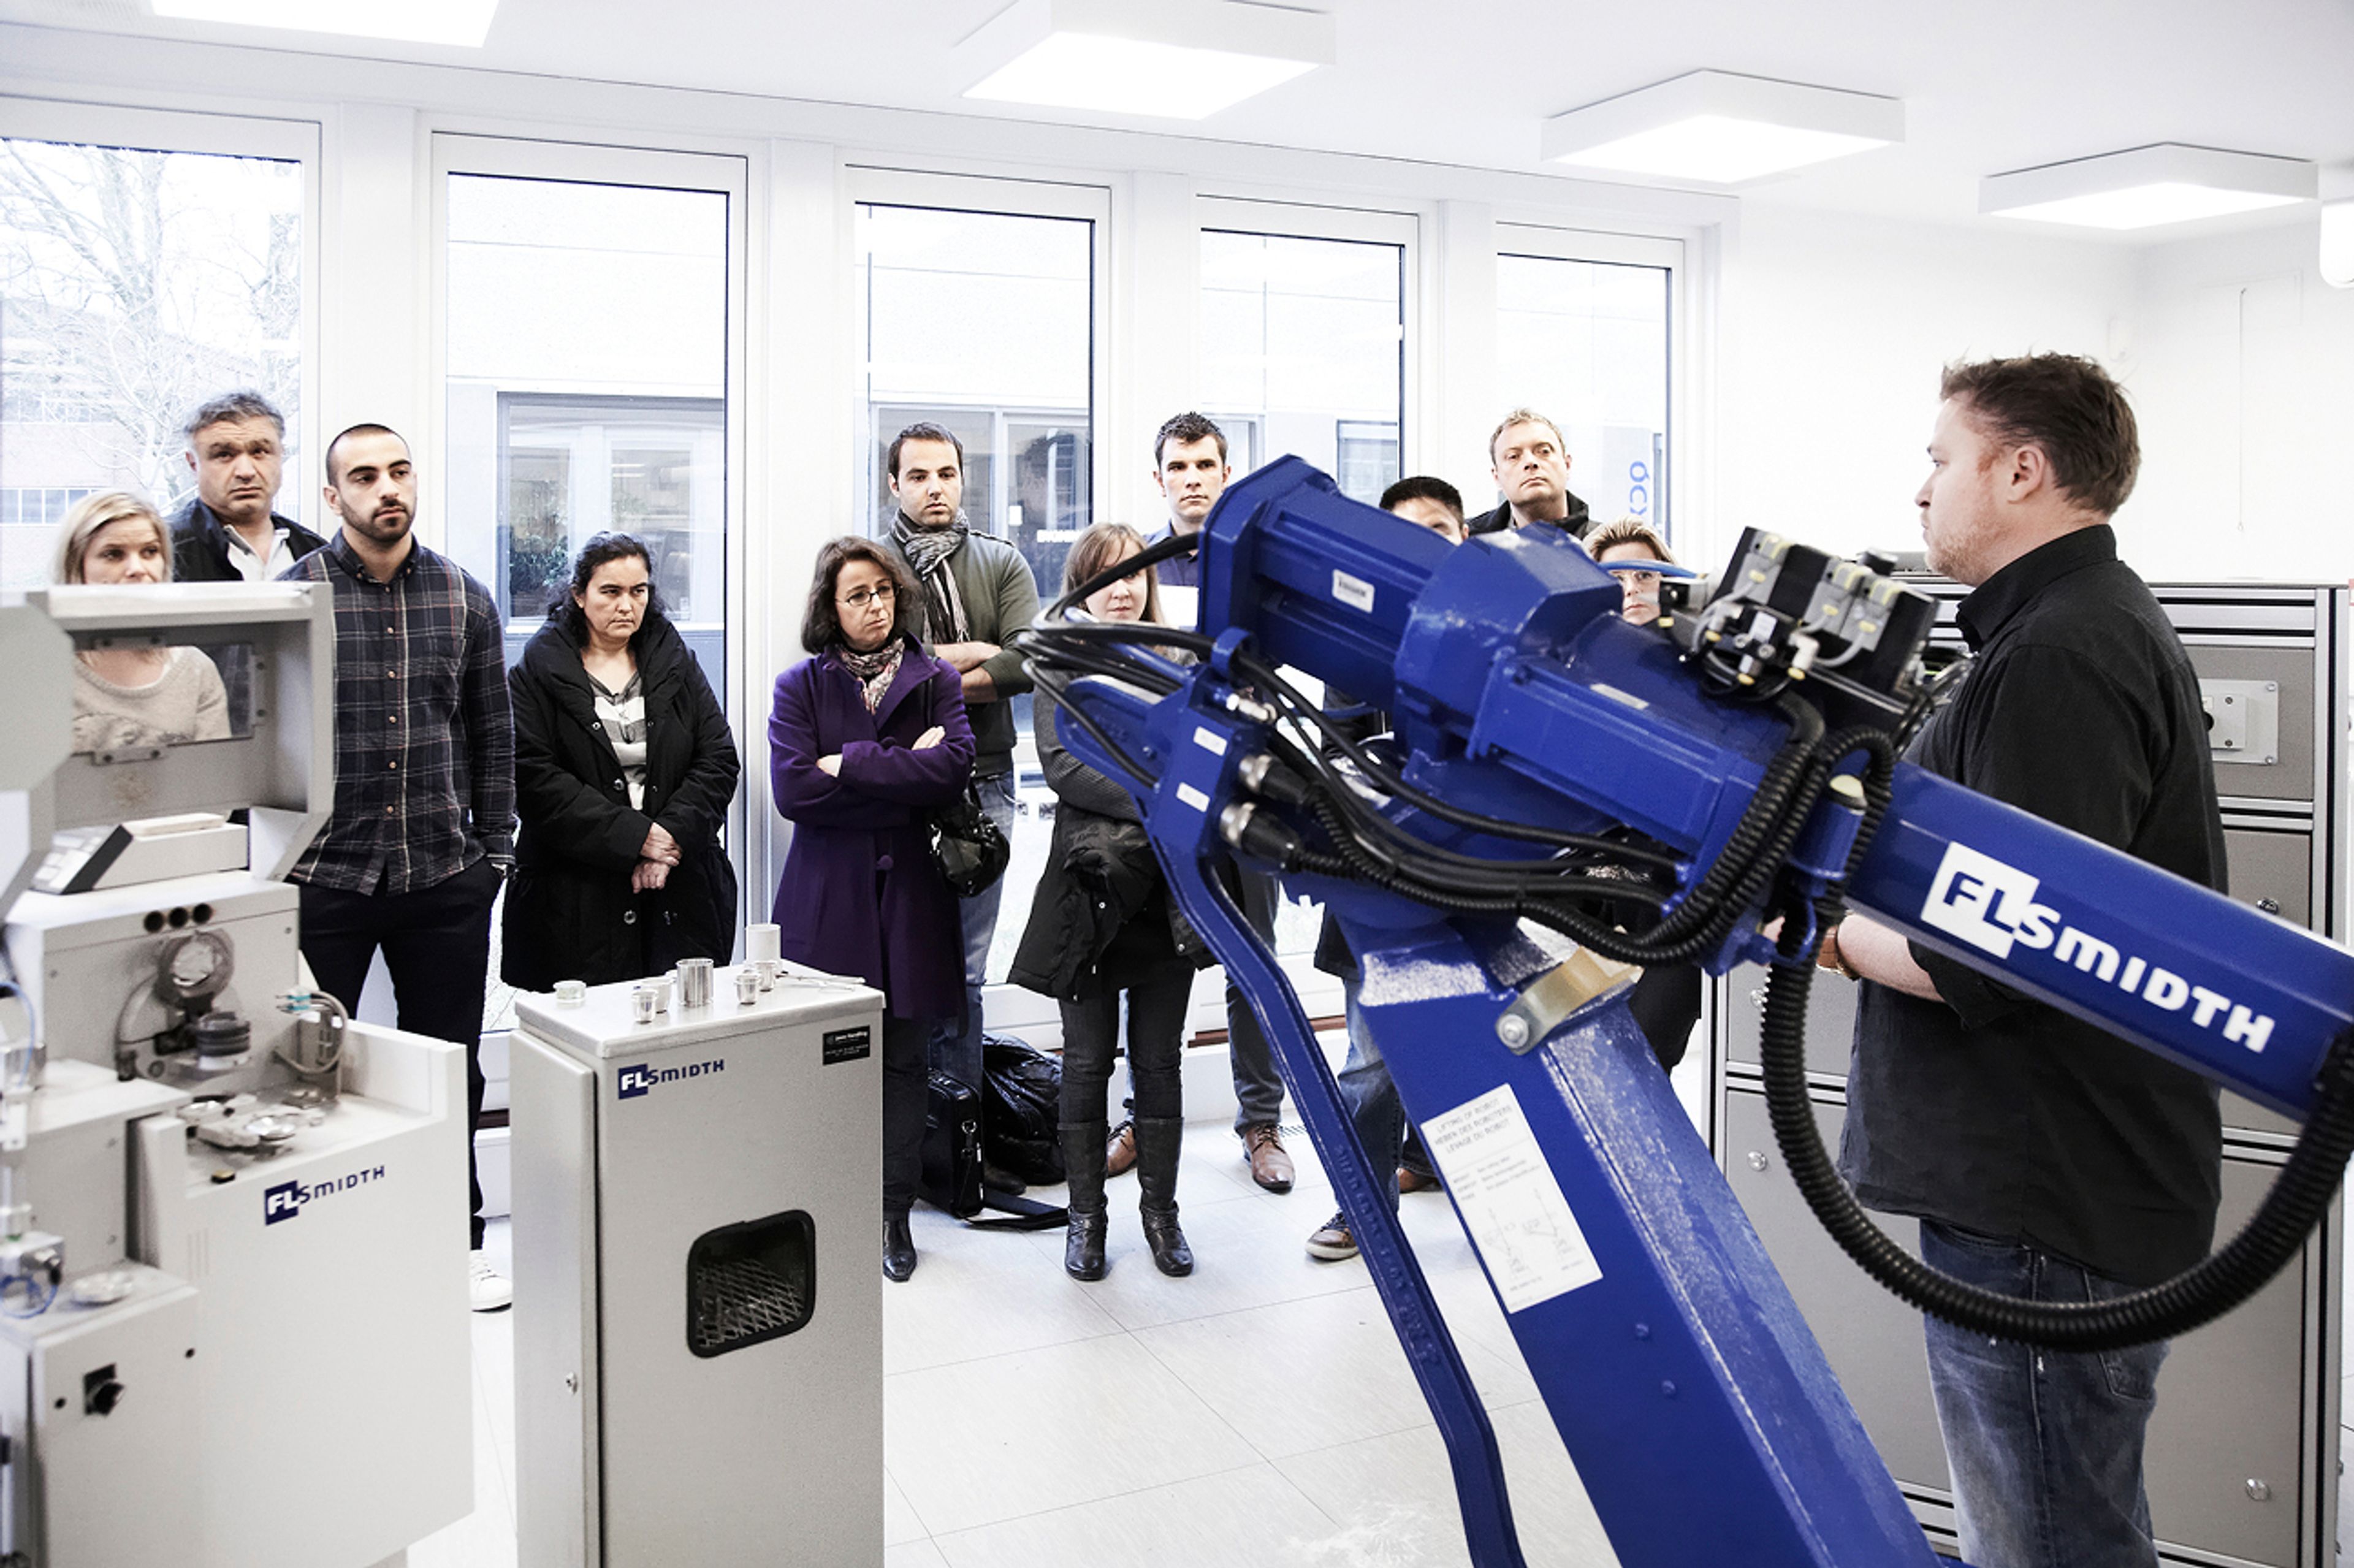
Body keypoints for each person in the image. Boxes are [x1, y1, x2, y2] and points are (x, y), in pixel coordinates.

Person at [1829, 354, 2224, 1568]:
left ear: (2021, 471)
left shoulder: (2062, 652)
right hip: (2045, 1188)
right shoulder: (2063, 630)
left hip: (2046, 1200)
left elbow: (1996, 957)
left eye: (1940, 459)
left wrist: (1824, 929)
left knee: (2048, 1543)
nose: (1922, 489)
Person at [281, 424, 517, 1314]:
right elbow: (260, 741)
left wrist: (494, 856)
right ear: (332, 497)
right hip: (323, 880)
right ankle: (317, 1258)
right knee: (310, 1073)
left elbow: (494, 739)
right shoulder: (293, 598)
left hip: (442, 878)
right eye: (365, 475)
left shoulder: (465, 597)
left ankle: (458, 1242)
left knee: (450, 1068)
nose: (388, 487)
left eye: (400, 470)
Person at [769, 536, 975, 1284]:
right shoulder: (799, 685)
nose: (875, 605)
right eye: (857, 594)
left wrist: (849, 763)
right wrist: (903, 770)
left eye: (884, 591)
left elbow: (951, 771)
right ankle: (824, 1201)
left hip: (911, 896)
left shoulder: (935, 676)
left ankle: (893, 1210)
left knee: (904, 1057)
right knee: (827, 1057)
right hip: (827, 894)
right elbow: (794, 792)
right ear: (831, 606)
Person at [1011, 523, 1205, 1280]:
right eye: (1104, 576)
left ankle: (1163, 1216)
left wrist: (1163, 793)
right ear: (1081, 587)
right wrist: (1155, 796)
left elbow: (1194, 758)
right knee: (1087, 1061)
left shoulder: (1179, 659)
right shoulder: (1058, 659)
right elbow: (1063, 767)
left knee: (1159, 1060)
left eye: (1132, 574)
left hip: (1165, 886)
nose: (1121, 588)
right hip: (1089, 884)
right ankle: (1085, 1220)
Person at [1123, 411, 1295, 1194]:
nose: (1192, 479)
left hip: (1250, 789)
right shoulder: (1137, 566)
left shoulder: (1256, 568)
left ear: (1227, 474)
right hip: (1166, 795)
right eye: (1178, 467)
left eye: (1204, 465)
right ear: (1158, 477)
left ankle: (1262, 1121)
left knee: (1254, 959)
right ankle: (1142, 1113)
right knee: (1156, 961)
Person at [1305, 478, 1468, 1262]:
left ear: (1466, 540)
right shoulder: (1355, 649)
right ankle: (1362, 1207)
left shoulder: (1499, 645)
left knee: (1483, 1056)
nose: (1425, 544)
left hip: (1480, 887)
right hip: (1380, 890)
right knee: (1371, 1063)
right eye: (1407, 532)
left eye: (1439, 528)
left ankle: (1493, 1208)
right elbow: (1341, 767)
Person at [883, 423, 1040, 1192]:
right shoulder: (872, 568)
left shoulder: (1000, 561)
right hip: (901, 789)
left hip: (987, 782)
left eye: (946, 473)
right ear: (895, 485)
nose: (935, 487)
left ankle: (958, 1152)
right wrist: (972, 655)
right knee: (903, 967)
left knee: (967, 973)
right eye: (919, 476)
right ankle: (902, 1150)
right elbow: (871, 666)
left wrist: (928, 672)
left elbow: (1028, 660)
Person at [502, 532, 740, 993]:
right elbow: (534, 781)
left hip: (677, 886)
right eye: (610, 592)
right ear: (579, 595)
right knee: (590, 1029)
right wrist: (637, 840)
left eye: (639, 591)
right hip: (576, 899)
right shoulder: (535, 673)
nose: (627, 606)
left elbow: (718, 759)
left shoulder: (676, 661)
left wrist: (667, 839)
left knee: (680, 1029)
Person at [51, 490, 230, 753]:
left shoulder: (196, 670)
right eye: (113, 554)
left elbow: (215, 771)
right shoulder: (38, 671)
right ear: (76, 566)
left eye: (150, 552)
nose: (137, 569)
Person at [169, 391, 326, 583]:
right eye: (224, 455)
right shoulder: (161, 550)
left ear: (280, 455)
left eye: (259, 451)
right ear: (194, 464)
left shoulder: (315, 552)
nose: (246, 472)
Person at [1468, 408, 1592, 539]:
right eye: (1513, 456)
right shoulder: (1468, 544)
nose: (1530, 462)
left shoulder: (1601, 545)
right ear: (1497, 477)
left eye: (1544, 451)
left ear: (1567, 465)